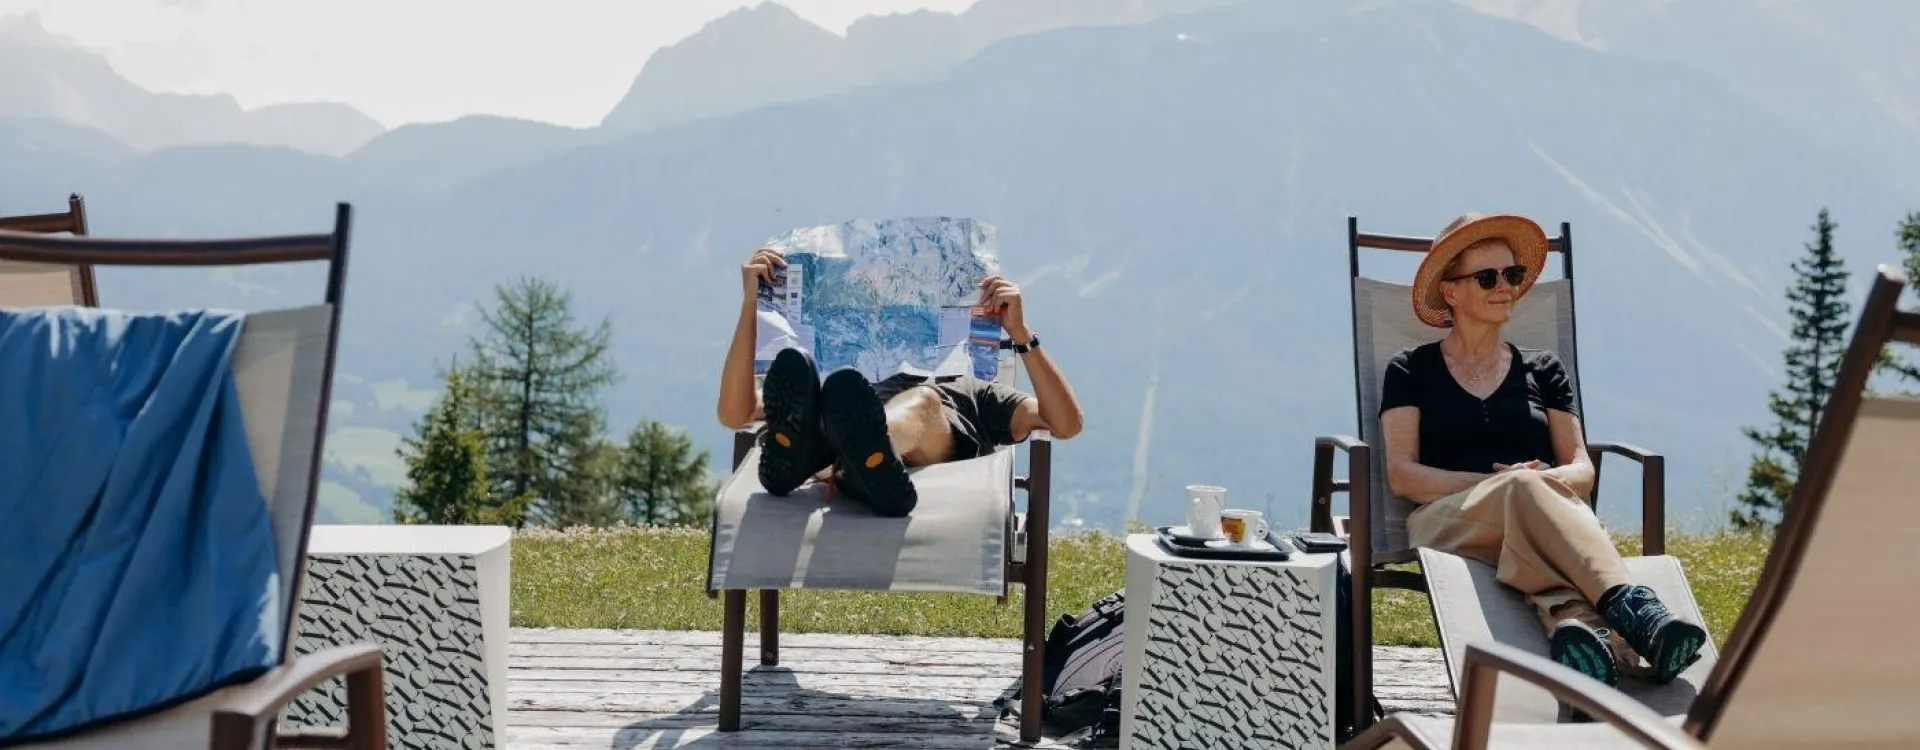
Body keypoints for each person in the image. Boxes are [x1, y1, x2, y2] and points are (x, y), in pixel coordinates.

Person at [1379, 213, 1707, 691]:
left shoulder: (1544, 369)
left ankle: (1590, 639)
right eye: (1487, 277)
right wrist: (1505, 484)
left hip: (1535, 520)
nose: (1505, 287)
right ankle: (1634, 609)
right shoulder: (1410, 369)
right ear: (1450, 292)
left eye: (1511, 275)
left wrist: (1529, 487)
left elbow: (1581, 468)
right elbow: (1402, 475)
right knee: (1526, 491)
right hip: (1445, 520)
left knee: (1531, 515)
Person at [716, 245, 1084, 517]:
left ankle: (841, 454)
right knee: (834, 395)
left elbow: (1065, 423)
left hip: (931, 439)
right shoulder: (840, 381)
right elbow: (736, 413)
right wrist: (752, 303)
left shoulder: (971, 388)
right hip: (846, 412)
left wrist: (1020, 333)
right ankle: (847, 458)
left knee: (923, 402)